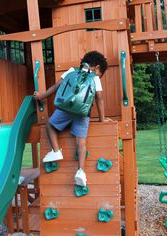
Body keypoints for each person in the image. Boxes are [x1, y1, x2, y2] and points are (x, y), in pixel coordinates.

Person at [34, 51, 110, 187]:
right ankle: (80, 171)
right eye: (100, 73)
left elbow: (56, 86)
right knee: (81, 143)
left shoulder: (71, 71)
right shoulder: (94, 78)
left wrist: (41, 96)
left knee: (50, 125)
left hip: (65, 108)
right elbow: (99, 98)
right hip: (83, 113)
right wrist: (102, 119)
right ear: (97, 67)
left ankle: (56, 151)